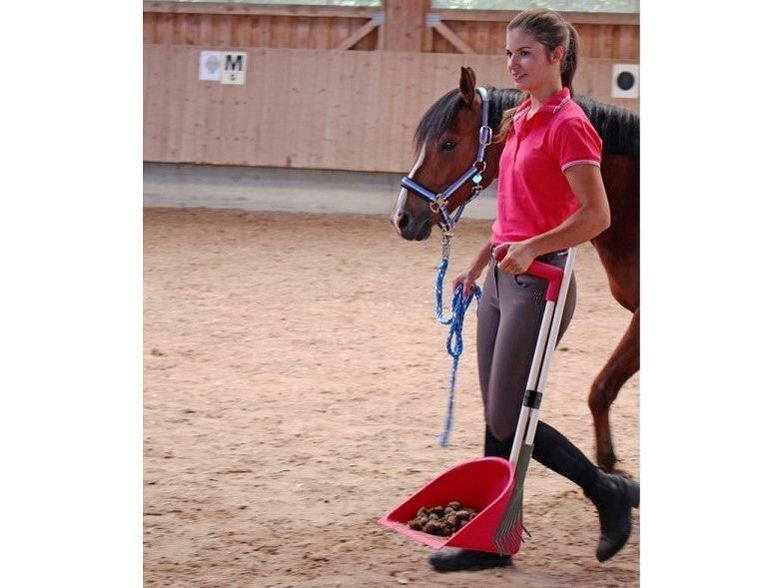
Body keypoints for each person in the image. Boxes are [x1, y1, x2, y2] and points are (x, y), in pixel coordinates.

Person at [427, 9, 640, 573]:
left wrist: (531, 248)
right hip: (501, 276)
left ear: (555, 58)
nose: (513, 64)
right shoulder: (520, 118)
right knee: (498, 416)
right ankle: (492, 538)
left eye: (525, 53)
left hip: (540, 282)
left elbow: (597, 215)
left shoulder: (570, 125)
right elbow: (514, 214)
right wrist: (478, 263)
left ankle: (604, 490)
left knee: (508, 414)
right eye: (508, 53)